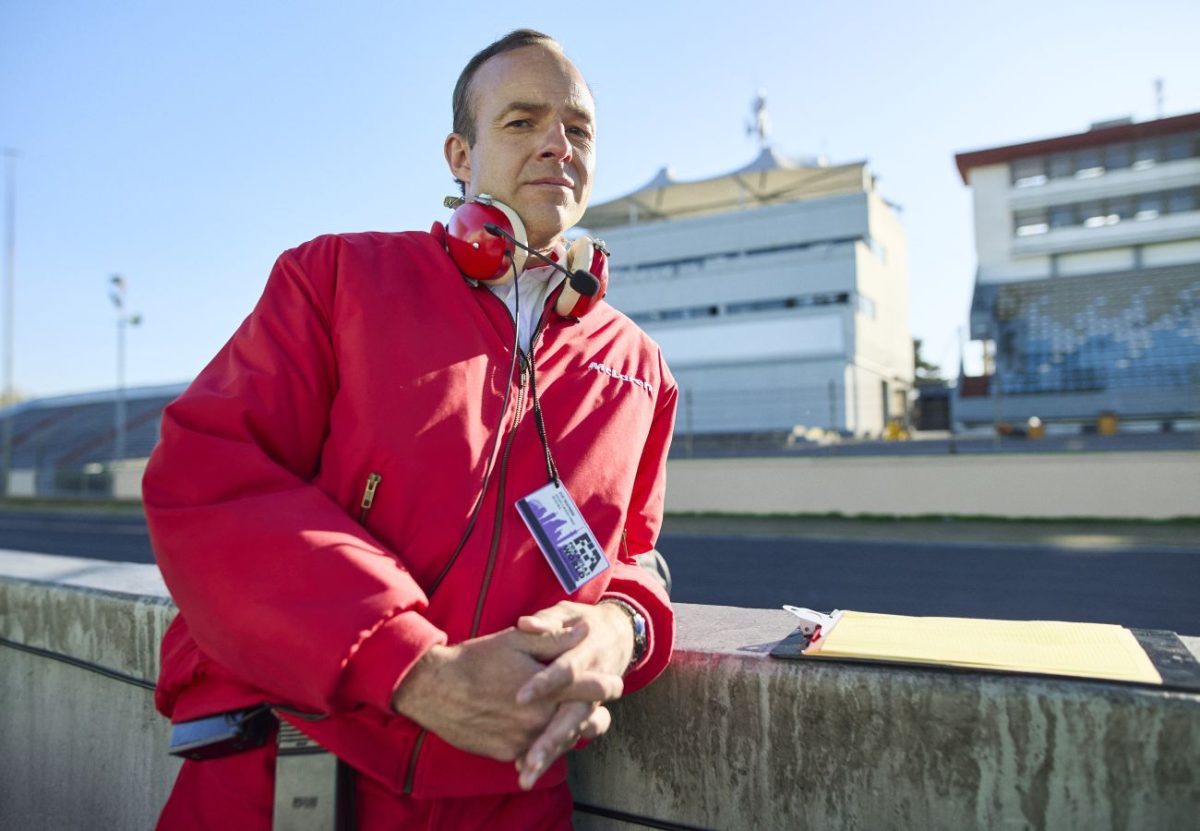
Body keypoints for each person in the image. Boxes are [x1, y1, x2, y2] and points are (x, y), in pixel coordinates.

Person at [143, 28, 678, 831]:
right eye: (522, 121)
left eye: (578, 128)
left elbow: (636, 558)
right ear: (459, 155)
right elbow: (207, 474)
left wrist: (622, 626)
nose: (557, 144)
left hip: (512, 793)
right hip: (296, 773)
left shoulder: (639, 367)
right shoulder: (337, 280)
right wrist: (412, 667)